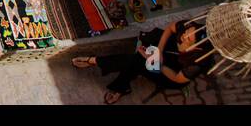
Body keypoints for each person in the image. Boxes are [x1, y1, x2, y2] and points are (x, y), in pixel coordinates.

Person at [72, 19, 205, 103]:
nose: (183, 36)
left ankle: (96, 61)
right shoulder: (189, 27)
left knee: (139, 61)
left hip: (171, 73)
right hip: (166, 53)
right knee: (140, 57)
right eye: (186, 32)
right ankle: (120, 85)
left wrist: (156, 62)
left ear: (197, 47)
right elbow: (170, 29)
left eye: (188, 39)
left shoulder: (198, 63)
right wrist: (158, 51)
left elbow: (177, 78)